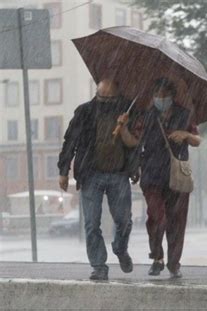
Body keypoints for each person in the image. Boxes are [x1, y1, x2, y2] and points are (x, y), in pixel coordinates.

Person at [58, 79, 140, 281]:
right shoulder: (85, 112)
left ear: (117, 97)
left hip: (119, 174)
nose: (104, 101)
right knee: (92, 223)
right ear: (96, 94)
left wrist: (124, 128)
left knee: (124, 220)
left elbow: (135, 144)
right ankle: (98, 265)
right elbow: (71, 141)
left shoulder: (128, 111)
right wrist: (63, 170)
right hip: (91, 174)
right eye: (101, 97)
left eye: (109, 98)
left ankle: (120, 249)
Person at [122, 78, 201, 278]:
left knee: (177, 221)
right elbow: (133, 141)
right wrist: (122, 127)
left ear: (172, 96)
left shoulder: (184, 114)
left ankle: (174, 263)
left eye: (165, 95)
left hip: (177, 176)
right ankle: (157, 257)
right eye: (157, 95)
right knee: (156, 217)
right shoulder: (146, 117)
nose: (161, 99)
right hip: (152, 175)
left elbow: (197, 140)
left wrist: (185, 135)